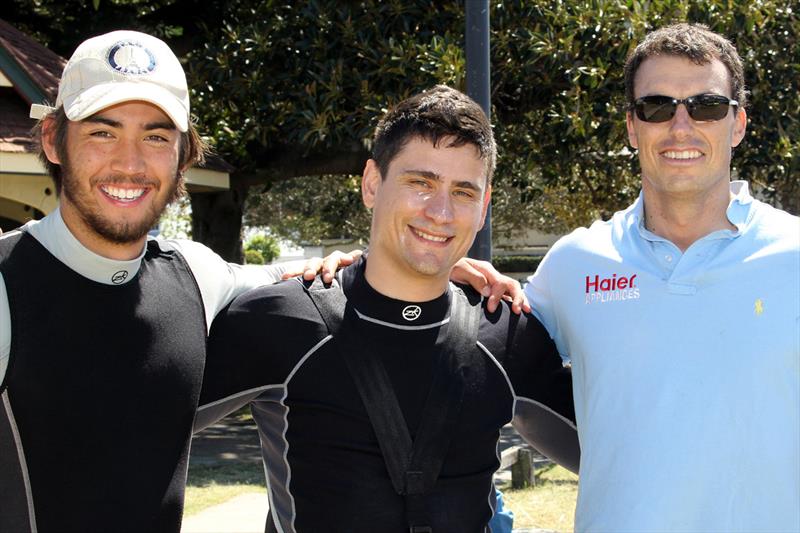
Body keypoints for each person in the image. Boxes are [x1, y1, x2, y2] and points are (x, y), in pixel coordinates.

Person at [0, 30, 527, 533]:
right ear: (51, 138)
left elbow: (325, 273)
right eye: (101, 131)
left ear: (184, 154)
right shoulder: (6, 284)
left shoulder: (197, 278)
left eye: (156, 137)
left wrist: (433, 251)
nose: (130, 162)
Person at [197, 85, 579, 533]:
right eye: (421, 183)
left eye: (463, 191)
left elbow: (620, 464)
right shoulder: (279, 321)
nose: (440, 211)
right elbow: (132, 435)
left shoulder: (508, 333)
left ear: (483, 206)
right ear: (372, 184)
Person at [524, 23, 799, 532]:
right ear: (632, 127)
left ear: (737, 125)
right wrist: (348, 271)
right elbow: (473, 338)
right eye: (656, 106)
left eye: (707, 106)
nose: (681, 126)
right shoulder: (575, 263)